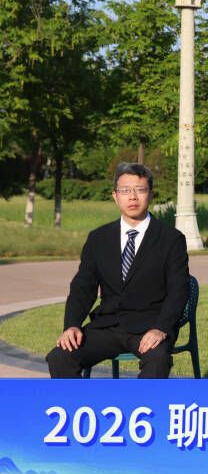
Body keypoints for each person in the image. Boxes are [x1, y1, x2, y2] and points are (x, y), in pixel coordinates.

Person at [47, 162, 190, 378]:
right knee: (60, 356)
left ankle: (144, 403)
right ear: (115, 196)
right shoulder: (98, 239)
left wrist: (161, 328)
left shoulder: (171, 239)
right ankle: (81, 401)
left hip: (149, 326)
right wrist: (72, 325)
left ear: (151, 195)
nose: (132, 197)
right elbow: (82, 288)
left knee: (157, 359)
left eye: (140, 189)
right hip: (107, 326)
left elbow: (178, 291)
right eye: (125, 190)